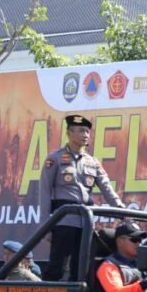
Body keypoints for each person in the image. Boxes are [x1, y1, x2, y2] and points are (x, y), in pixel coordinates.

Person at [41, 115, 125, 281]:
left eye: (87, 131)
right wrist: (45, 226)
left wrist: (121, 208)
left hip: (86, 222)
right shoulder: (55, 159)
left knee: (81, 269)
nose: (85, 135)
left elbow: (107, 187)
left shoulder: (92, 162)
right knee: (57, 267)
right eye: (80, 131)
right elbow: (44, 191)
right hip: (64, 220)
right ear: (69, 133)